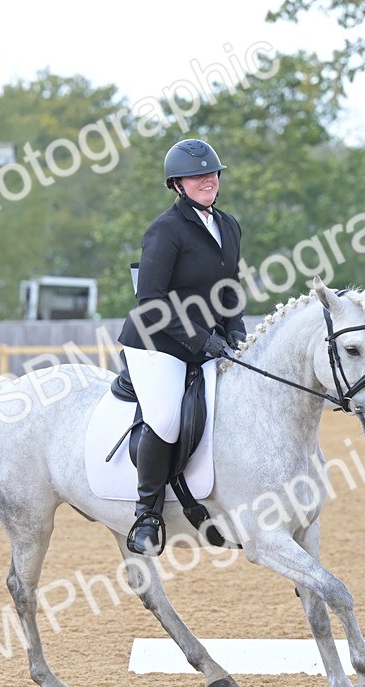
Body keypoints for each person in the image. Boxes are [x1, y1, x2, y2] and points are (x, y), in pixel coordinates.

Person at [117, 139, 247, 557]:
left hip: (207, 343)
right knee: (167, 418)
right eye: (197, 175)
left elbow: (230, 290)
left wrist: (236, 333)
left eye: (212, 173)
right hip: (157, 344)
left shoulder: (228, 225)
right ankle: (147, 515)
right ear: (177, 185)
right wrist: (201, 339)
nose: (207, 179)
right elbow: (151, 301)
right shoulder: (164, 230)